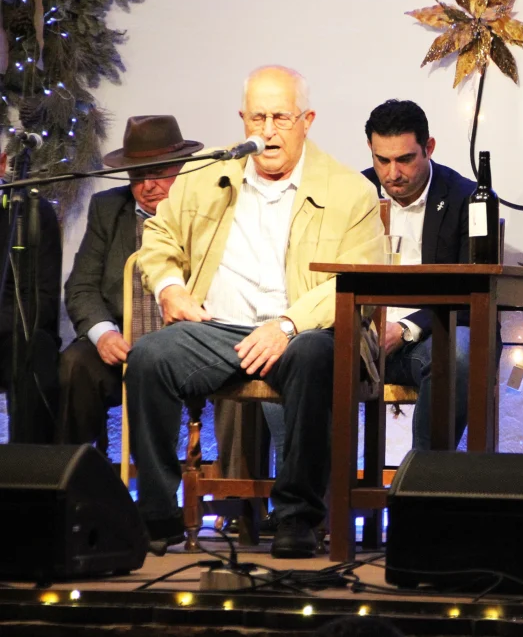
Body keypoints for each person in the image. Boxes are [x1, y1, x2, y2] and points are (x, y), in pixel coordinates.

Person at [125, 65, 385, 558]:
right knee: (149, 358)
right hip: (218, 328)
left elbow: (359, 280)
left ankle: (296, 517)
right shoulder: (207, 172)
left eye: (281, 117)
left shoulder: (350, 190)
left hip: (305, 328)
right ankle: (157, 513)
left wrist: (287, 325)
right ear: (241, 118)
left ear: (307, 120)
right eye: (258, 117)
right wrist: (170, 288)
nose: (267, 131)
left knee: (313, 358)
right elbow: (158, 237)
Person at [60, 115, 201, 451]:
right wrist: (104, 333)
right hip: (124, 344)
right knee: (75, 365)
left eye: (158, 173)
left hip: (190, 348)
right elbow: (81, 286)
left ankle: (231, 491)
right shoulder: (108, 209)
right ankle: (75, 481)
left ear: (181, 169)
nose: (147, 186)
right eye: (138, 176)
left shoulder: (204, 210)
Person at [361, 99, 485, 450]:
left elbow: (472, 292)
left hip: (432, 335)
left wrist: (404, 329)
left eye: (405, 159)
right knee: (299, 351)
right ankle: (316, 494)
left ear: (428, 148)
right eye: (382, 160)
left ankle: (423, 483)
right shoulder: (354, 194)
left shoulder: (467, 198)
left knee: (459, 351)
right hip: (362, 337)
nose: (392, 173)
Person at [0, 138, 62, 443]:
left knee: (34, 349)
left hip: (11, 334)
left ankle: (28, 479)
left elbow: (42, 301)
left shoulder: (30, 214)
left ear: (1, 164)